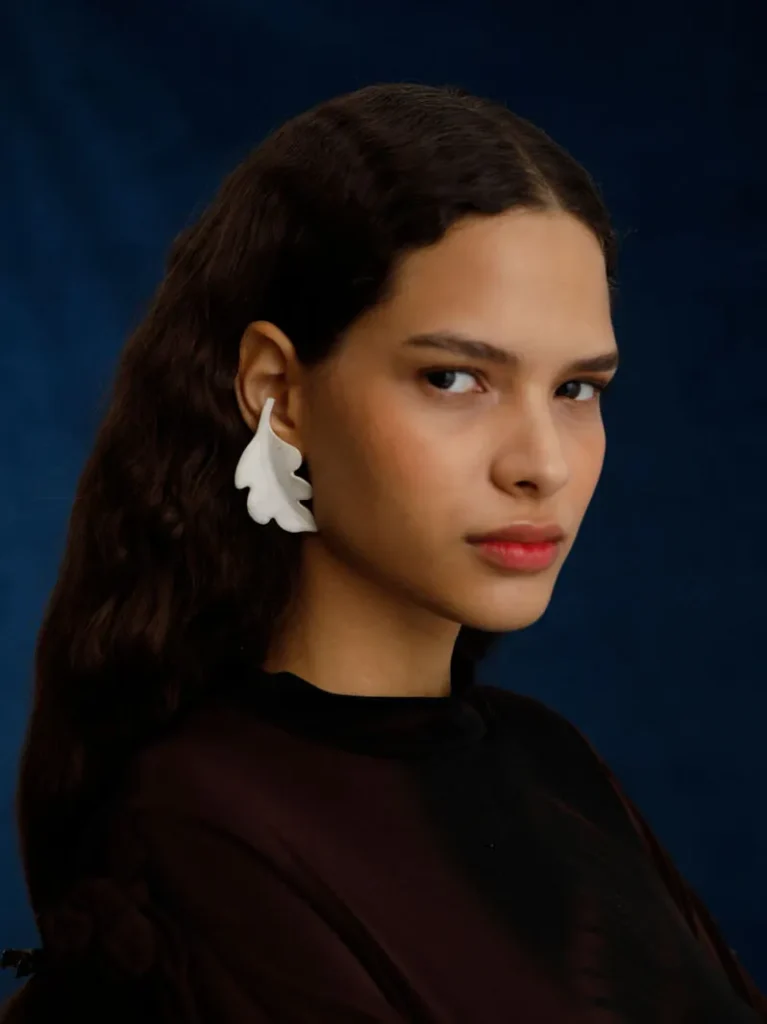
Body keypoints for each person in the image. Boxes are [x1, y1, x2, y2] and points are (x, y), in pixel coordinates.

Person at [1, 82, 764, 1023]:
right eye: (454, 378)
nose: (540, 465)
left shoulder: (551, 764)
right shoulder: (200, 826)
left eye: (576, 389)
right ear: (277, 391)